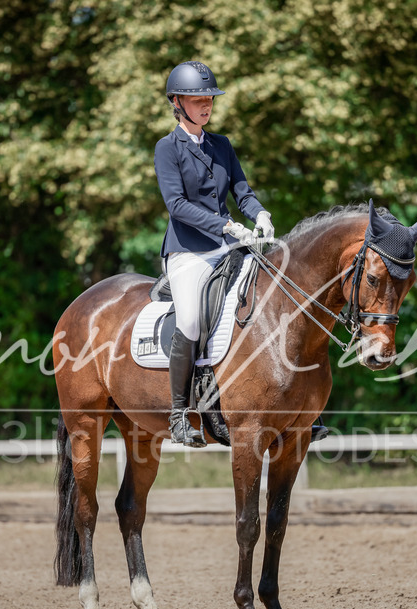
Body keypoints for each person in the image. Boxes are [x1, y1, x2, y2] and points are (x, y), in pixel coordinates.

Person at [154, 60, 274, 447]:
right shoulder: (166, 148)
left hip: (229, 246)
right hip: (188, 251)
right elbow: (177, 206)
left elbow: (242, 192)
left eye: (209, 98)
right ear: (178, 102)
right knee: (190, 321)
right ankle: (178, 413)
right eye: (197, 99)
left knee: (274, 296)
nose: (206, 105)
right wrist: (224, 226)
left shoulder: (221, 145)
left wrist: (259, 214)